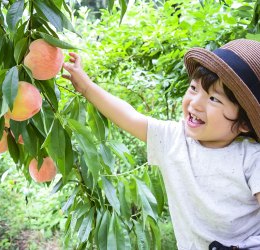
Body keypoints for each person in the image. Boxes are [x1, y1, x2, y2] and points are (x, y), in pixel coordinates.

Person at [62, 39, 260, 250]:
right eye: (194, 88)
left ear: (244, 123)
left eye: (214, 99)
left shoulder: (251, 159)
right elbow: (130, 117)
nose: (195, 103)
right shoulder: (173, 139)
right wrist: (86, 86)